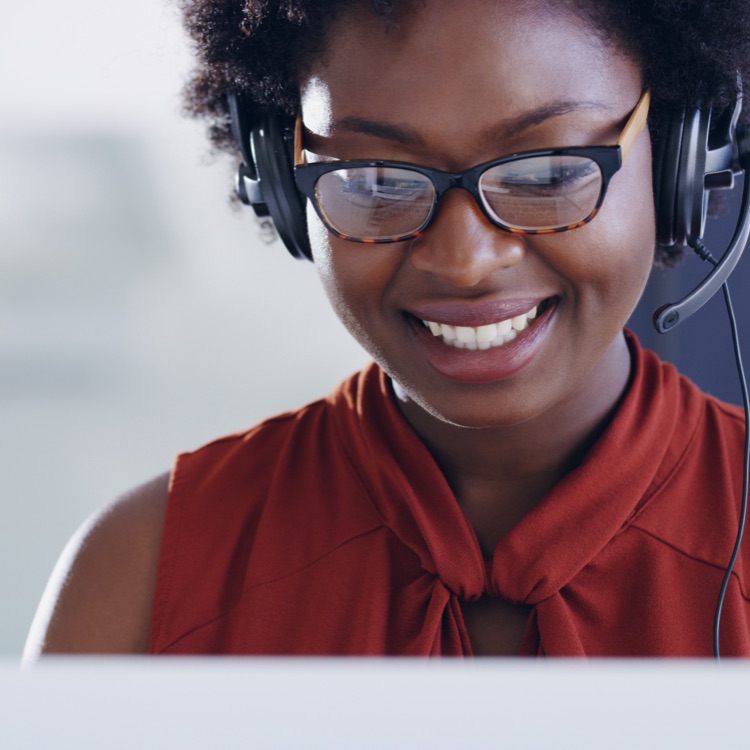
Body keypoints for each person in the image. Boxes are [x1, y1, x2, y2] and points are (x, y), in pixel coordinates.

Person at [23, 0, 750, 658]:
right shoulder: (139, 578)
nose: (464, 263)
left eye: (547, 173)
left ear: (683, 158)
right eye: (375, 180)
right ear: (279, 180)